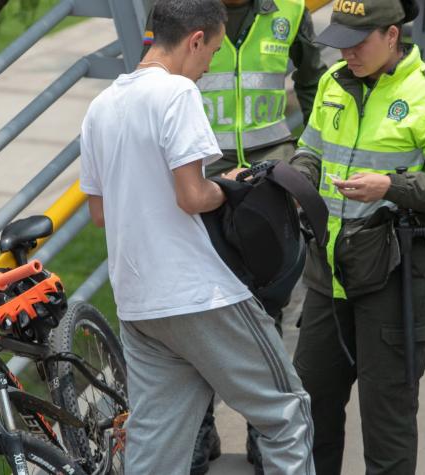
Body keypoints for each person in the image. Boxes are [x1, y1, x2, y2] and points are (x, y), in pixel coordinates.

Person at [79, 1, 314, 472]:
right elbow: (192, 196)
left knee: (156, 438)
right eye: (212, 52)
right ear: (194, 41)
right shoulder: (177, 94)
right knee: (287, 412)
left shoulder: (101, 106)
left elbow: (99, 214)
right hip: (198, 295)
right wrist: (229, 189)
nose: (208, 67)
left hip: (138, 302)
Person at [288, 0, 425, 472]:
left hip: (397, 278)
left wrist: (391, 186)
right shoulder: (334, 82)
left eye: (359, 42)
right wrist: (297, 178)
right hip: (328, 272)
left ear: (392, 35)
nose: (347, 52)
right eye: (341, 42)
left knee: (387, 416)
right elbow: (311, 147)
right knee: (309, 407)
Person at [146, 1, 326, 472]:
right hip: (202, 176)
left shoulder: (290, 9)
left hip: (267, 173)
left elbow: (311, 81)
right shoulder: (185, 12)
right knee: (200, 302)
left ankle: (263, 428)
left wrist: (306, 153)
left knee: (268, 298)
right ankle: (200, 428)